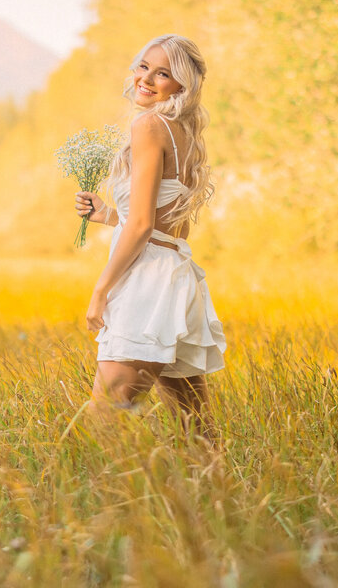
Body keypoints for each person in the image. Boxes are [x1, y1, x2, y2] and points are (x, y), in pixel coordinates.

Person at [73, 34, 227, 437]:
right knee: (197, 432)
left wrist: (101, 289)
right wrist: (108, 214)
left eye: (163, 73)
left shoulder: (149, 125)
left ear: (182, 84)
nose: (146, 78)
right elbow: (165, 224)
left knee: (103, 420)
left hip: (146, 286)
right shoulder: (184, 133)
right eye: (143, 66)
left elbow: (142, 226)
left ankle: (84, 500)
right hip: (175, 276)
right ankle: (218, 496)